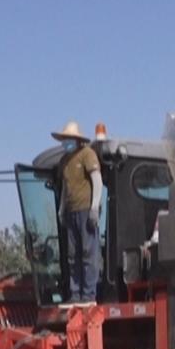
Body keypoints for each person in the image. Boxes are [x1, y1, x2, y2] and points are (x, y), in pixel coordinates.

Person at [56, 120, 104, 305]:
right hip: (71, 211)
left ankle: (88, 294)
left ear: (76, 139)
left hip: (85, 209)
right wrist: (61, 210)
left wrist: (94, 207)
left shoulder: (87, 154)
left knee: (87, 252)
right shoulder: (64, 161)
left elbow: (97, 180)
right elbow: (65, 189)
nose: (65, 142)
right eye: (64, 139)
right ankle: (75, 294)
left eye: (68, 139)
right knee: (72, 255)